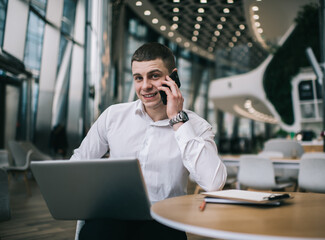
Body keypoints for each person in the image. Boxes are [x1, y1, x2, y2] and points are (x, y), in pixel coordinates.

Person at [71, 42, 227, 239]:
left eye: (154, 76)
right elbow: (80, 161)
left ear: (173, 77)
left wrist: (177, 120)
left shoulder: (197, 126)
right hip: (114, 216)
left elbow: (214, 183)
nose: (145, 86)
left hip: (163, 220)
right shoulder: (113, 116)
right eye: (138, 78)